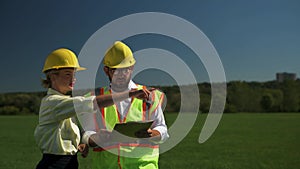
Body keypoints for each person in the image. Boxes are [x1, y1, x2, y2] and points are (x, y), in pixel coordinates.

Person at [34, 48, 152, 169]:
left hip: (67, 161)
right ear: (53, 76)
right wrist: (129, 94)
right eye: (68, 74)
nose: (73, 79)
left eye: (74, 74)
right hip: (55, 164)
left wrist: (76, 146)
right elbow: (92, 103)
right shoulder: (53, 102)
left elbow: (60, 135)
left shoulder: (64, 102)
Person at [81, 41, 169, 169]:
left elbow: (163, 130)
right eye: (115, 70)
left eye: (125, 69)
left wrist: (152, 133)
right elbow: (86, 135)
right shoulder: (93, 99)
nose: (121, 74)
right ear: (106, 70)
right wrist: (98, 138)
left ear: (132, 67)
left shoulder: (150, 95)